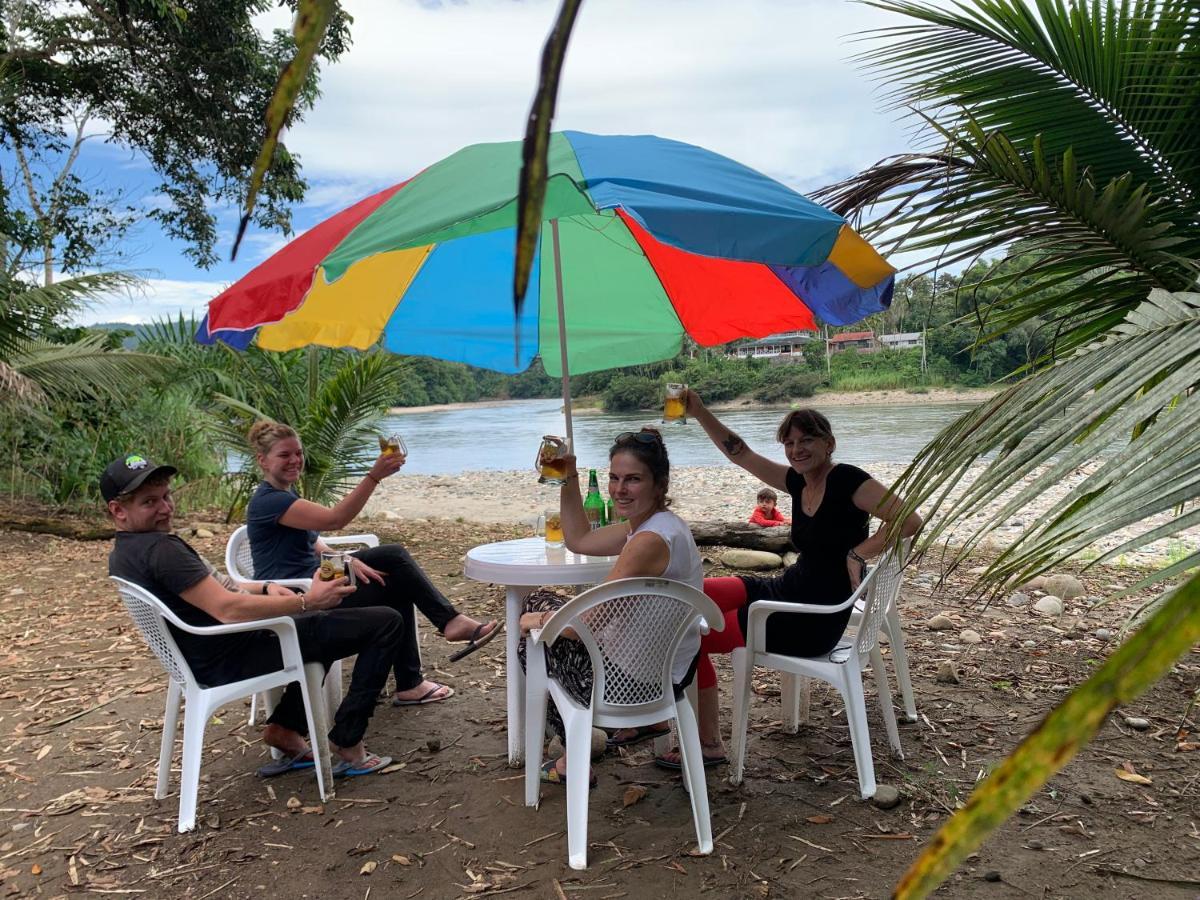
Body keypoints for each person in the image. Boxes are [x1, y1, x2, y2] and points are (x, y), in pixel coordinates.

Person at [657, 395, 923, 768]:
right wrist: (700, 411)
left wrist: (859, 552)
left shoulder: (847, 480)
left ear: (828, 444)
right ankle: (662, 718)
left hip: (808, 618)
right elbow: (741, 453)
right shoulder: (797, 482)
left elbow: (909, 520)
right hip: (784, 590)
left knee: (685, 635)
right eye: (789, 443)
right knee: (684, 597)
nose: (797, 449)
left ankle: (708, 743)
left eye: (806, 440)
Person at [104, 453, 399, 777]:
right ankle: (348, 740)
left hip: (203, 654)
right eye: (150, 502)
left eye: (166, 496)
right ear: (118, 511)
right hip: (233, 653)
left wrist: (266, 588)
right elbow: (228, 609)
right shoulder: (161, 551)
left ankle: (285, 729)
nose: (165, 508)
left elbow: (215, 589)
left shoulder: (125, 552)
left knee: (325, 629)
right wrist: (309, 602)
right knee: (385, 622)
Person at [245, 422, 499, 707]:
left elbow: (314, 542)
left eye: (299, 453)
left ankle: (419, 670)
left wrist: (348, 560)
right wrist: (373, 477)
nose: (295, 460)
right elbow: (335, 520)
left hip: (319, 578)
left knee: (390, 568)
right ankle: (429, 653)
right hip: (297, 595)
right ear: (263, 460)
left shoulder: (285, 496)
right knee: (392, 564)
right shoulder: (269, 501)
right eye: (284, 455)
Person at [518, 427, 703, 786]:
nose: (619, 489)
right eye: (614, 478)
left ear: (659, 484)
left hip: (628, 684)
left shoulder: (647, 541)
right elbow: (579, 539)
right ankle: (617, 731)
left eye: (633, 479)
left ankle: (575, 752)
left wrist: (535, 618)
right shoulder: (657, 525)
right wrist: (569, 477)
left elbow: (580, 626)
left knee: (534, 625)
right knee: (540, 604)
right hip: (663, 671)